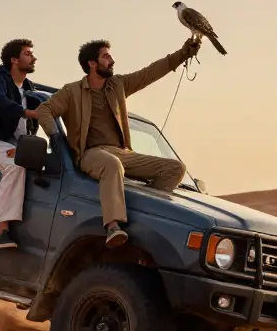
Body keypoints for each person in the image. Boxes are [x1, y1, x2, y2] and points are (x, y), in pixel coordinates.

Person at [34, 36, 199, 247]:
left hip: (122, 153)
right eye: (106, 56)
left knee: (175, 168)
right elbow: (45, 110)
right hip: (90, 154)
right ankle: (112, 226)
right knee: (112, 165)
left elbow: (151, 72)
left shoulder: (117, 85)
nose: (111, 60)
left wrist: (184, 52)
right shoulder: (72, 91)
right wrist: (58, 139)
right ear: (92, 64)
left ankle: (144, 218)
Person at [0, 38, 42, 249]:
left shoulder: (29, 89)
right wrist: (25, 112)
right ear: (14, 60)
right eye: (28, 54)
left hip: (18, 144)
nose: (34, 57)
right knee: (15, 166)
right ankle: (3, 231)